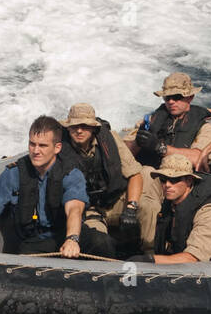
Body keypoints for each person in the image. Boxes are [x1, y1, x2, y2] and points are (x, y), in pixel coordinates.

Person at [0, 115, 96, 257]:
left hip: (66, 233)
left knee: (102, 243)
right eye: (32, 144)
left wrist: (72, 239)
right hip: (35, 240)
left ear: (57, 147)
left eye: (43, 146)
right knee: (26, 260)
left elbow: (74, 209)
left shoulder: (71, 173)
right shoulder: (14, 173)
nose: (36, 151)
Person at [60, 103, 156, 256]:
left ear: (93, 127)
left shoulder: (110, 139)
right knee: (99, 244)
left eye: (85, 126)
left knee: (148, 207)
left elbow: (135, 174)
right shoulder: (58, 147)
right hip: (87, 209)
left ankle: (150, 255)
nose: (79, 130)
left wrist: (131, 208)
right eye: (74, 126)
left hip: (116, 200)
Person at [146, 154, 211, 263]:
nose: (167, 185)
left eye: (174, 179)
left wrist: (149, 261)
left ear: (189, 180)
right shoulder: (171, 202)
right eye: (163, 179)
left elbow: (192, 258)